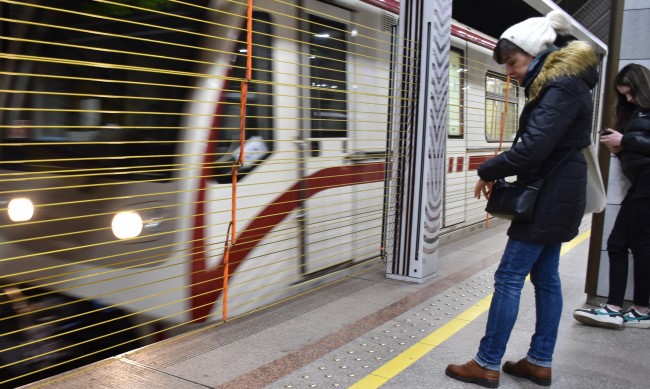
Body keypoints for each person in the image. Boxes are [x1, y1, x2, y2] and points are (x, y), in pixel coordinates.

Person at [445, 10, 599, 388]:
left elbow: (533, 148)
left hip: (549, 195)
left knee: (509, 277)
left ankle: (486, 363)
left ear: (536, 54)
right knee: (545, 277)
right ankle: (539, 361)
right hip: (559, 191)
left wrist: (487, 169)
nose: (510, 71)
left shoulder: (560, 85)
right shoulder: (568, 83)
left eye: (512, 62)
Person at [573, 64, 650, 329]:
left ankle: (639, 309)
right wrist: (619, 148)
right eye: (624, 95)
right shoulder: (636, 112)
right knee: (619, 243)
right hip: (639, 184)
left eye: (631, 93)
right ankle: (617, 307)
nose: (628, 99)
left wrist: (625, 141)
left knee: (637, 244)